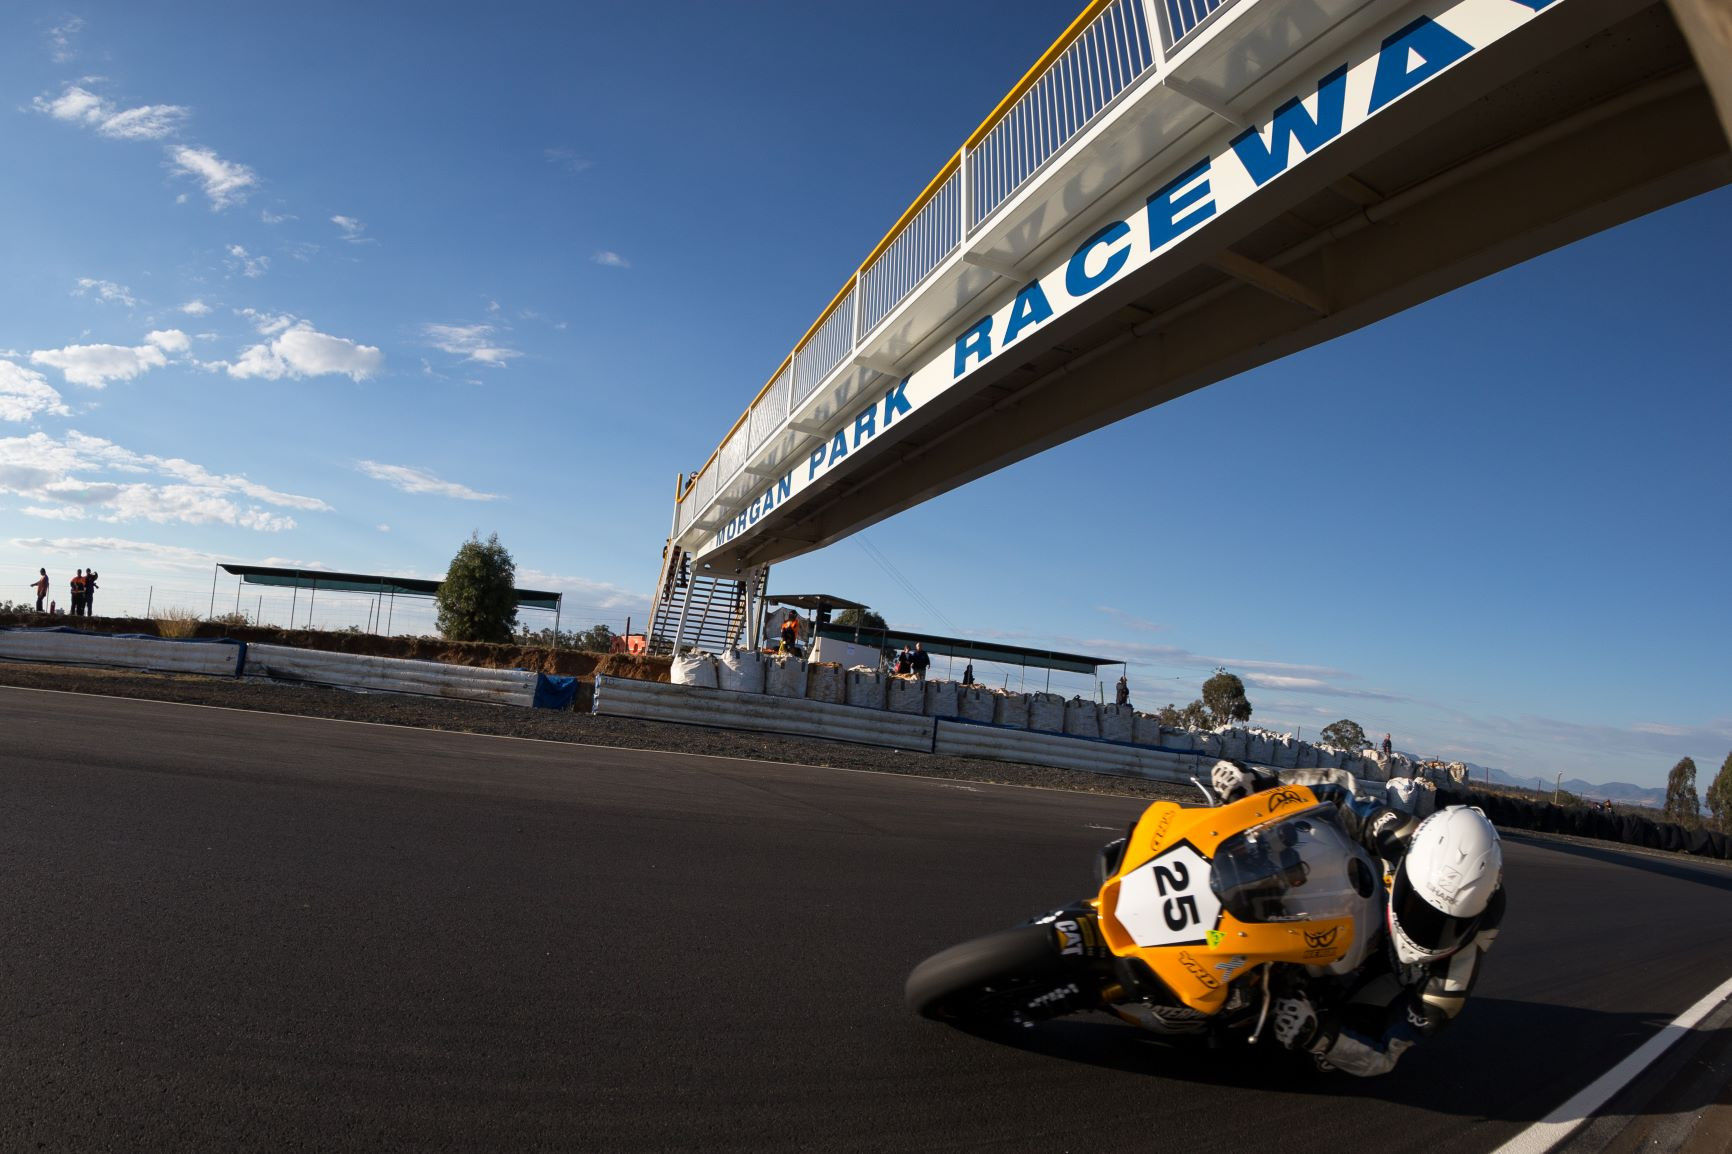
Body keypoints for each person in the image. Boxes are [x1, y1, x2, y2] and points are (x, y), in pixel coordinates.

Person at [1209, 759, 1505, 1078]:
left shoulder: (1447, 985)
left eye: (1445, 925)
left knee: (1330, 1044)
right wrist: (1262, 783)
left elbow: (1387, 1054)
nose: (1425, 930)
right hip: (1355, 891)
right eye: (1418, 908)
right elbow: (1337, 790)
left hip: (1390, 972)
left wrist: (1322, 1037)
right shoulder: (1406, 835)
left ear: (1472, 922)